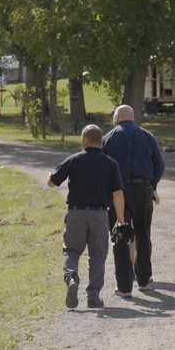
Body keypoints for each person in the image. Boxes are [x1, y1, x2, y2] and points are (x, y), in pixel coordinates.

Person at [48, 125, 126, 309]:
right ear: (100, 141)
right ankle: (93, 296)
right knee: (98, 255)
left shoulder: (73, 159)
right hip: (99, 214)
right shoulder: (110, 163)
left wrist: (50, 174)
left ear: (84, 139)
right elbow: (117, 193)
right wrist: (120, 220)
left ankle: (72, 277)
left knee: (72, 250)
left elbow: (51, 183)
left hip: (76, 213)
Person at [101, 104, 165, 297]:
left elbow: (103, 165)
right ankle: (144, 280)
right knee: (143, 234)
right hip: (143, 188)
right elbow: (159, 164)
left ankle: (124, 286)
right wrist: (153, 185)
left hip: (118, 191)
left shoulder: (108, 138)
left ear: (117, 117)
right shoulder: (147, 136)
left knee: (120, 232)